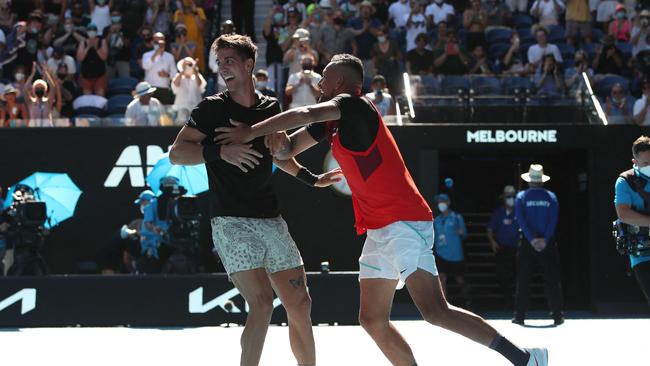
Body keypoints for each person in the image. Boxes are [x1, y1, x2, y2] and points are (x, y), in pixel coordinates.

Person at [215, 53, 549, 366]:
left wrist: (253, 131)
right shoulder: (331, 123)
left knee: (435, 311)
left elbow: (304, 113)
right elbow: (288, 148)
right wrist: (276, 143)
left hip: (405, 220)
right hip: (378, 229)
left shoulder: (355, 105)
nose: (319, 84)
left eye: (325, 78)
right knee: (372, 319)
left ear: (341, 84)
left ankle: (524, 359)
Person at [168, 34, 341, 366]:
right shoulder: (211, 108)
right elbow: (177, 153)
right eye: (219, 63)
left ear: (249, 65)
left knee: (300, 303)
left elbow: (278, 155)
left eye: (229, 61)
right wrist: (221, 151)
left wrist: (312, 178)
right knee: (262, 303)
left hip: (270, 219)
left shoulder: (271, 107)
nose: (222, 68)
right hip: (230, 221)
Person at [513, 164, 563, 327]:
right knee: (552, 279)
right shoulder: (551, 197)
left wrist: (531, 239)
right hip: (547, 242)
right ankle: (557, 315)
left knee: (523, 279)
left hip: (528, 242)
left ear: (529, 181)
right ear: (542, 181)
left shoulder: (521, 196)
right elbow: (553, 220)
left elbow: (521, 219)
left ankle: (519, 316)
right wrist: (545, 239)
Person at [614, 135, 650, 306]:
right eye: (645, 164)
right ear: (634, 162)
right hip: (642, 252)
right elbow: (624, 214)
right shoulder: (625, 182)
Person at [433, 193, 470, 305]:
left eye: (443, 201)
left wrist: (460, 231)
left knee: (460, 279)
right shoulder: (437, 220)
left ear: (448, 203)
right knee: (442, 278)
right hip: (441, 253)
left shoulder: (457, 218)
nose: (441, 204)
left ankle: (468, 300)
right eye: (439, 202)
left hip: (455, 254)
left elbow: (464, 234)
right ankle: (445, 304)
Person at [487, 185, 519, 311]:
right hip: (502, 249)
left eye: (512, 196)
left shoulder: (519, 211)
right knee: (502, 275)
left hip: (516, 248)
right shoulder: (498, 212)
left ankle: (517, 302)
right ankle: (507, 301)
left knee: (517, 275)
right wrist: (492, 242)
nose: (510, 199)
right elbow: (490, 229)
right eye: (508, 197)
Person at [142, 32, 176, 105]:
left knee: (165, 114)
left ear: (164, 42)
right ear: (152, 42)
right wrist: (156, 53)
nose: (159, 43)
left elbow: (174, 74)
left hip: (164, 89)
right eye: (156, 41)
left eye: (161, 40)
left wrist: (167, 75)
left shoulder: (170, 56)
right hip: (150, 89)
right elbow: (145, 66)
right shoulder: (146, 55)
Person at [24, 61, 61, 126]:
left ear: (45, 90)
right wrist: (32, 73)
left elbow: (52, 87)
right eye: (37, 88)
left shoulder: (48, 101)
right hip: (34, 129)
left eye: (42, 88)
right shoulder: (30, 102)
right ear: (33, 90)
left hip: (47, 129)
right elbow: (25, 89)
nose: (39, 90)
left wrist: (46, 72)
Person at [171, 57, 206, 125]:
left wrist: (194, 69)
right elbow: (176, 83)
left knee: (197, 126)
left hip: (196, 107)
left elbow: (200, 84)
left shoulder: (197, 76)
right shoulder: (178, 76)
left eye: (190, 64)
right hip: (182, 107)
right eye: (186, 64)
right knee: (181, 124)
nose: (188, 66)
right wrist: (183, 70)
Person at [77, 23, 108, 96]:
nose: (92, 32)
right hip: (86, 74)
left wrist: (96, 48)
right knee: (87, 97)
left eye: (93, 30)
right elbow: (79, 58)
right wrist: (88, 47)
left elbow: (104, 57)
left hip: (99, 74)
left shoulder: (102, 41)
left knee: (100, 95)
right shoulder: (83, 42)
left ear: (96, 31)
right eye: (90, 30)